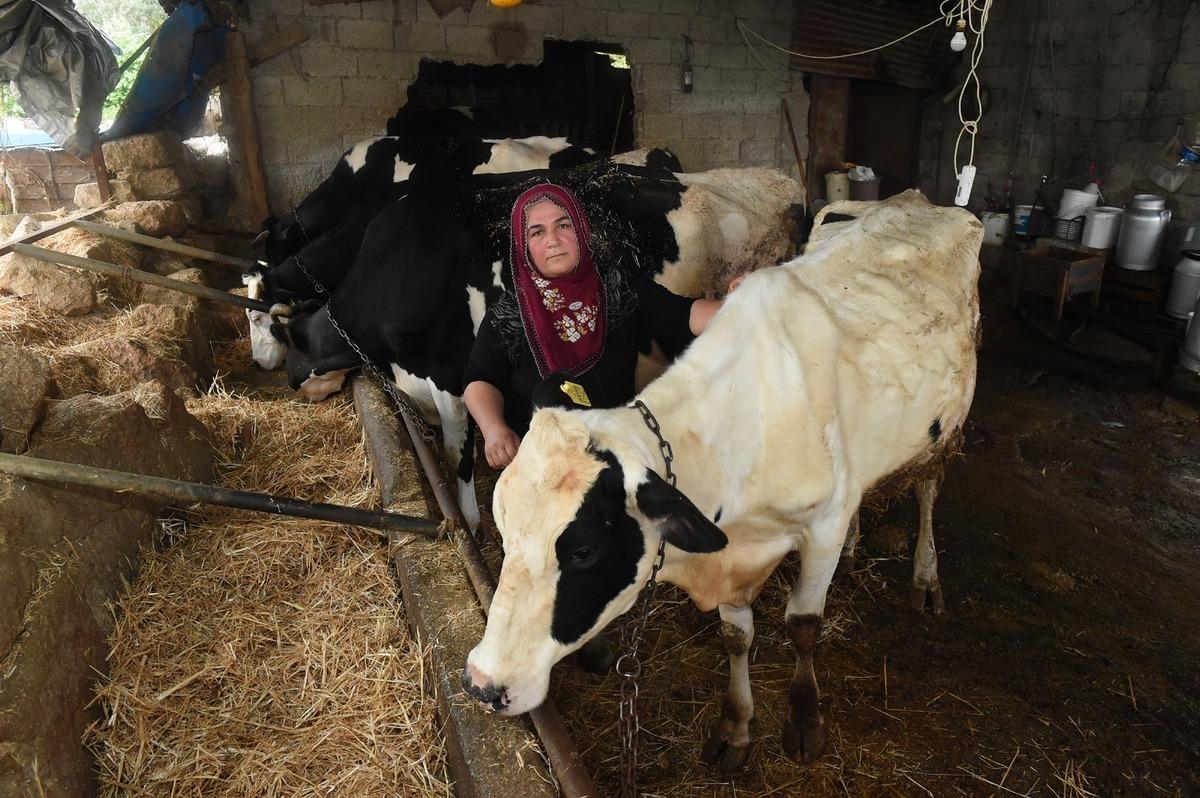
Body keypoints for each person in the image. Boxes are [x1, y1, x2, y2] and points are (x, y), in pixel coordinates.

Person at [463, 182, 726, 469]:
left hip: (617, 452)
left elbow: (683, 315)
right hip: (543, 467)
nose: (553, 239)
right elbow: (480, 379)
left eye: (563, 226)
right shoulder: (508, 314)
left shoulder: (617, 285)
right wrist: (493, 430)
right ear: (523, 247)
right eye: (537, 232)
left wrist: (745, 302)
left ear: (580, 230)